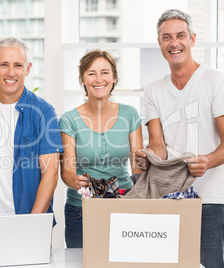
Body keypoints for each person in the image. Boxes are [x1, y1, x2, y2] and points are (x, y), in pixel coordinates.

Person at [135, 9, 224, 268]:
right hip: (166, 200)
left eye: (180, 35)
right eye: (166, 37)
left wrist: (209, 161)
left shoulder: (216, 81)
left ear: (192, 39)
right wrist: (147, 157)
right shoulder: (153, 90)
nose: (174, 43)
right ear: (159, 43)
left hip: (209, 200)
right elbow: (158, 145)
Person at [59, 49, 143, 248]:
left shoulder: (130, 114)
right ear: (83, 80)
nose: (99, 79)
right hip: (81, 210)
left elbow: (138, 167)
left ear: (114, 78)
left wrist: (136, 199)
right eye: (91, 73)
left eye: (105, 72)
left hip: (123, 204)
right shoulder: (69, 119)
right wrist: (75, 181)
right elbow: (67, 170)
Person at [0, 37, 63, 217]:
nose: (11, 72)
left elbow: (50, 173)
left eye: (18, 65)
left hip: (28, 221)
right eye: (4, 64)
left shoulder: (44, 112)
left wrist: (32, 224)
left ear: (28, 69)